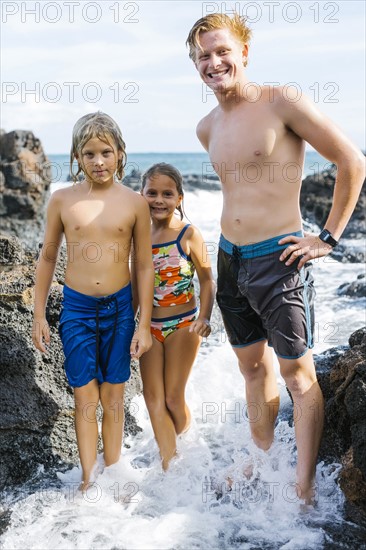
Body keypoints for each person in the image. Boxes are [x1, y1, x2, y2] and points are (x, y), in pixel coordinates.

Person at [186, 13, 365, 503]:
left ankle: (302, 489)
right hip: (230, 259)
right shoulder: (207, 127)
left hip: (279, 258)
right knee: (252, 370)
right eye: (203, 55)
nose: (214, 62)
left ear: (244, 52)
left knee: (297, 376)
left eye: (222, 51)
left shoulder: (281, 101)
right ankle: (261, 461)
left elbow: (351, 160)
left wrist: (326, 239)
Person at [32, 112, 154, 490]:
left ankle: (114, 475)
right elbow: (48, 257)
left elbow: (145, 266)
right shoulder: (62, 200)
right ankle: (88, 478)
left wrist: (144, 324)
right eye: (89, 154)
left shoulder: (135, 203)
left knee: (113, 394)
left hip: (120, 308)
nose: (98, 161)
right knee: (85, 395)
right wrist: (38, 314)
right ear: (76, 157)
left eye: (105, 152)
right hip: (77, 308)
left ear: (120, 153)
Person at [133, 163, 216, 470]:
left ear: (179, 198)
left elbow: (208, 280)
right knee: (152, 399)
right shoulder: (138, 237)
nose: (159, 199)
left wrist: (204, 318)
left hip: (185, 324)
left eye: (167, 194)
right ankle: (170, 465)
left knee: (171, 399)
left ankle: (189, 447)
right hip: (148, 328)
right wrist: (130, 327)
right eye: (152, 192)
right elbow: (133, 285)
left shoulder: (188, 234)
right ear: (141, 195)